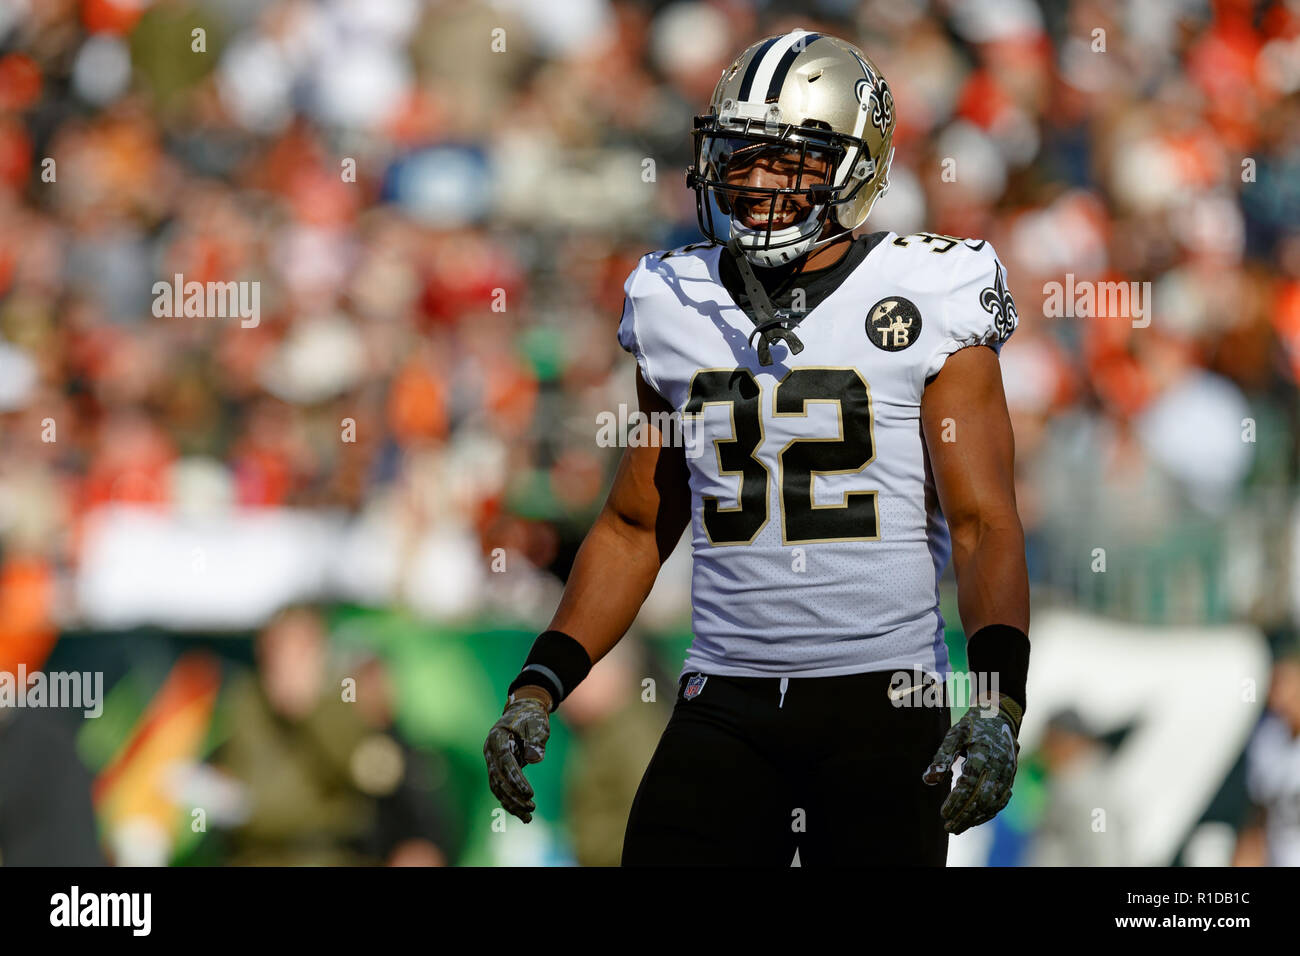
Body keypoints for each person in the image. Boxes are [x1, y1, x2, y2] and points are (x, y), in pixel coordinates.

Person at [485, 29, 1030, 866]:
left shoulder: (929, 292)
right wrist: (540, 683)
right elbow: (638, 523)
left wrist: (996, 702)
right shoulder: (674, 301)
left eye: (789, 160)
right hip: (724, 697)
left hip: (884, 700)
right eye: (742, 157)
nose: (757, 181)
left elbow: (983, 520)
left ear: (855, 165)